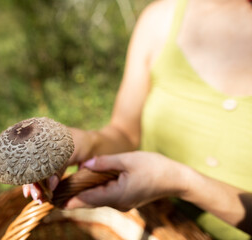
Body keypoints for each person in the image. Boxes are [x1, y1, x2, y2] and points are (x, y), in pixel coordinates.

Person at [23, 0, 252, 239]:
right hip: (153, 227)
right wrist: (88, 142)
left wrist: (181, 182)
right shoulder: (160, 19)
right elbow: (124, 133)